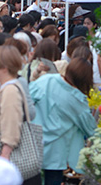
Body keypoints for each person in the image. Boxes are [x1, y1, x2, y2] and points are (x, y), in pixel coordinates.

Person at [0, 45, 40, 185]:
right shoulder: (4, 89)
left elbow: (11, 125)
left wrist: (4, 156)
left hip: (1, 161)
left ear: (4, 68)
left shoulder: (10, 91)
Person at [31, 57, 96, 185]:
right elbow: (90, 128)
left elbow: (26, 98)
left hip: (33, 142)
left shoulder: (47, 79)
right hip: (56, 151)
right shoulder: (77, 99)